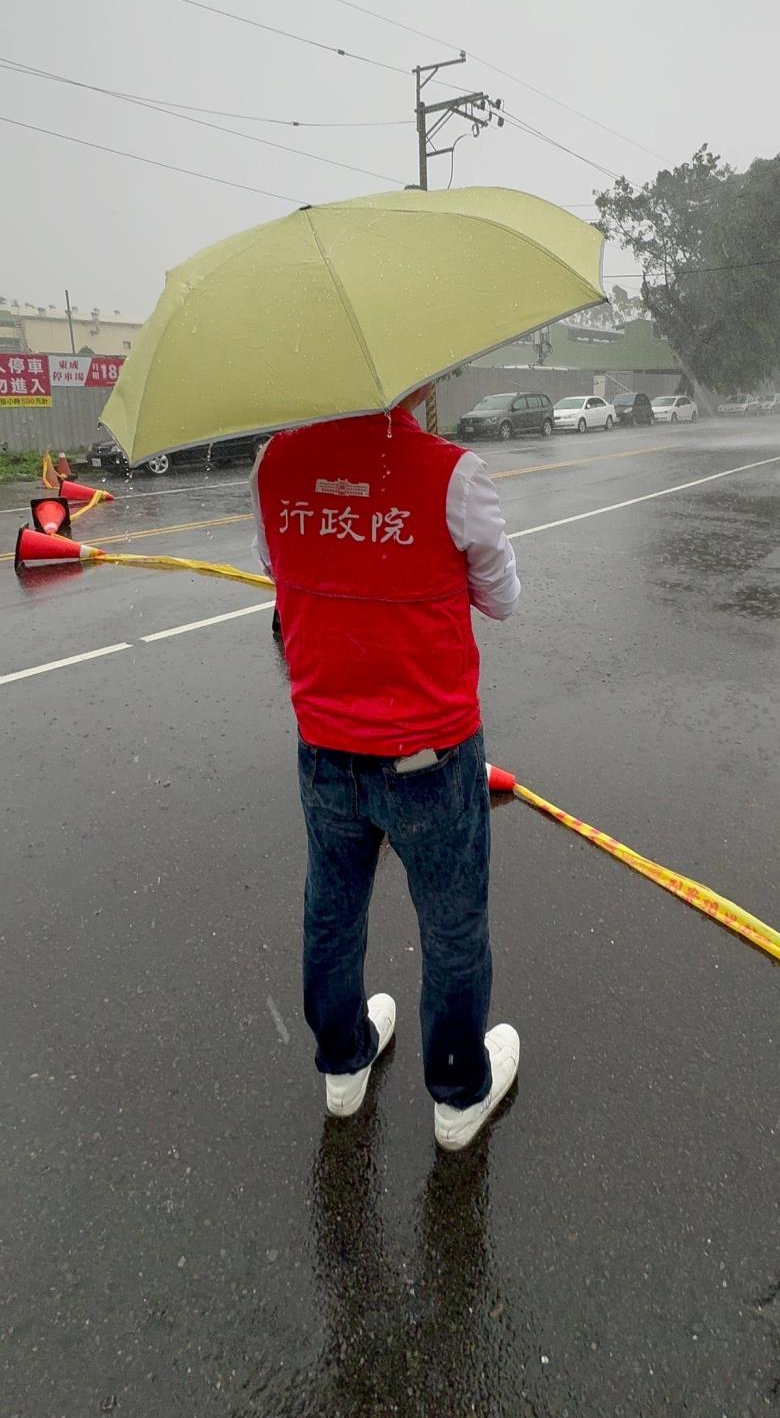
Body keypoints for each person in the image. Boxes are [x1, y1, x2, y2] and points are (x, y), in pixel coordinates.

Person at [251, 386, 521, 1151]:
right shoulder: (454, 475)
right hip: (430, 756)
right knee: (453, 925)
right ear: (418, 379)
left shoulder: (274, 463)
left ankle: (343, 1065)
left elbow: (276, 562)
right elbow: (502, 598)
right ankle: (458, 1093)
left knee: (332, 908)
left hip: (325, 747)